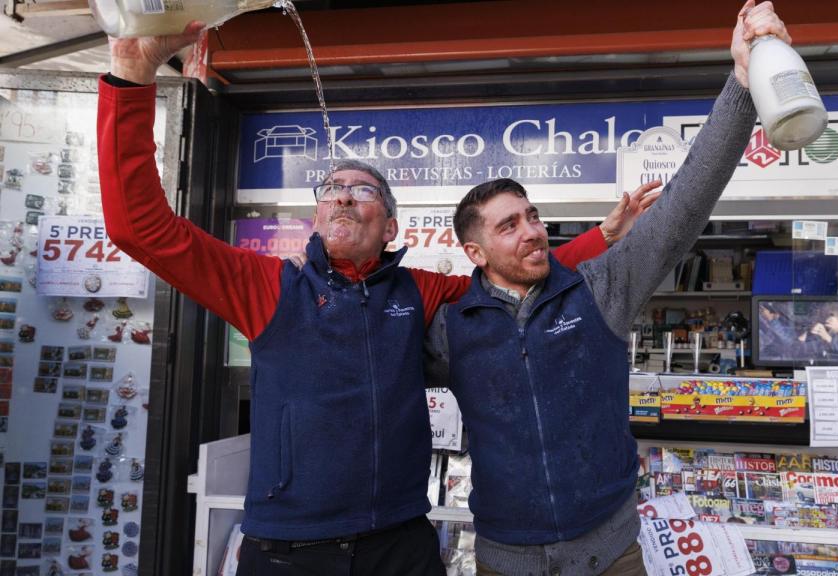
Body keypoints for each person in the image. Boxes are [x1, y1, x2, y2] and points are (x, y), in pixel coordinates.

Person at [98, 23, 657, 576]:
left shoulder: (420, 290)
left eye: (362, 189)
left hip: (401, 544)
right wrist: (132, 72)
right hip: (288, 550)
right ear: (316, 216)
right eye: (331, 189)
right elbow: (141, 229)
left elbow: (510, 281)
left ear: (390, 226)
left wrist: (600, 238)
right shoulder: (268, 285)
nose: (343, 194)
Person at [425, 2, 789, 573]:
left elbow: (684, 204)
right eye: (509, 225)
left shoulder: (599, 287)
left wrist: (742, 85)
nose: (533, 231)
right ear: (475, 253)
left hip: (611, 553)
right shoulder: (451, 326)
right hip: (504, 558)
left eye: (533, 215)